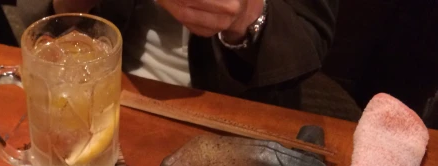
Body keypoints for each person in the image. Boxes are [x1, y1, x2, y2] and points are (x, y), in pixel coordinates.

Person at [17, 0, 340, 110]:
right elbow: (43, 16)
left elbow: (311, 37)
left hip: (235, 110)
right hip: (105, 92)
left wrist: (247, 18)